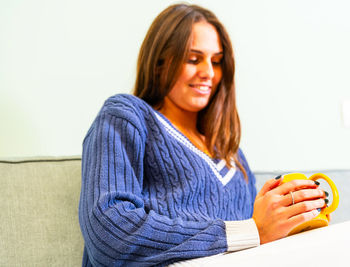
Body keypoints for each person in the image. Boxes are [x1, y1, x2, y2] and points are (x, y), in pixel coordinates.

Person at [79, 4, 328, 266]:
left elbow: (256, 242)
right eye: (193, 59)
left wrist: (288, 224)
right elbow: (110, 233)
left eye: (217, 61)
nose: (208, 73)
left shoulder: (232, 154)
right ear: (159, 63)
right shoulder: (126, 115)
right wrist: (250, 231)